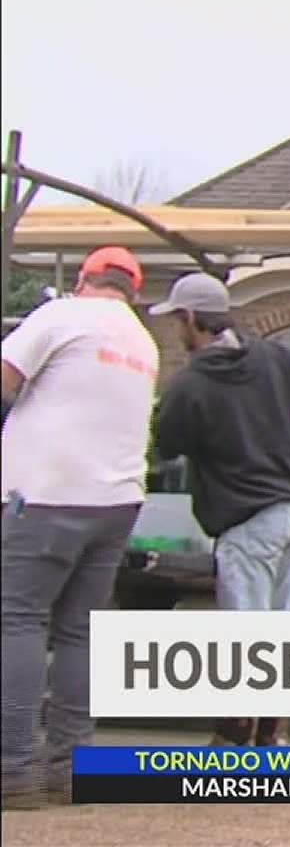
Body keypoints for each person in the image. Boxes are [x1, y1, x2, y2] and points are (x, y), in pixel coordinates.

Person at [1, 248, 159, 810]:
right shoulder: (143, 341)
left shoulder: (61, 316)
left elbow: (4, 379)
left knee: (17, 621)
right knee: (78, 633)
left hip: (45, 495)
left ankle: (11, 769)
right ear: (132, 290)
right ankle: (70, 769)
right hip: (114, 503)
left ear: (85, 278)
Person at [149, 272, 290, 747]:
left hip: (247, 518)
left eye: (177, 322)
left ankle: (233, 739)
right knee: (278, 625)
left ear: (191, 319)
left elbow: (166, 443)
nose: (177, 332)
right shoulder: (270, 359)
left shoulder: (190, 385)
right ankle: (272, 734)